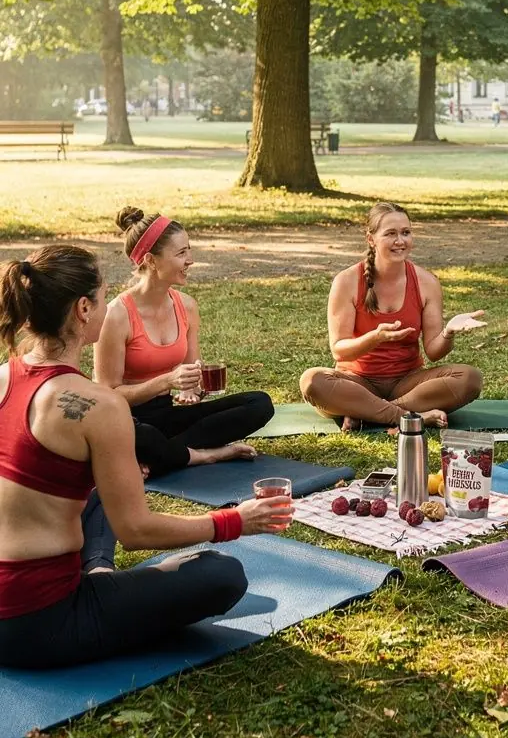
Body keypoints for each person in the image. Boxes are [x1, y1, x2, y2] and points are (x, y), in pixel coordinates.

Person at [0, 245, 293, 670]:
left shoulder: (4, 376)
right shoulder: (97, 403)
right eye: (102, 295)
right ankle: (98, 582)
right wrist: (235, 521)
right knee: (222, 575)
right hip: (39, 623)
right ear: (84, 308)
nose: (107, 302)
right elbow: (135, 529)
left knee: (99, 494)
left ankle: (98, 573)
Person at [94, 208, 273, 478]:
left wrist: (194, 390)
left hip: (167, 416)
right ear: (151, 261)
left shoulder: (186, 306)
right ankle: (205, 454)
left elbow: (193, 373)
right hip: (127, 419)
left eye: (188, 250)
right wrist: (166, 381)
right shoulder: (117, 315)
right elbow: (107, 394)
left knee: (259, 404)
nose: (190, 260)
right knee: (145, 435)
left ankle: (160, 457)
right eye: (181, 253)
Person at [300, 201, 485, 429]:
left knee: (470, 378)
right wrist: (375, 338)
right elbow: (339, 351)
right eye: (391, 233)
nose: (400, 241)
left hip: (407, 382)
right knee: (312, 381)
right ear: (371, 239)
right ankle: (407, 416)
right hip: (356, 381)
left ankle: (368, 412)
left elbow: (434, 352)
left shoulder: (426, 282)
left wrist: (448, 332)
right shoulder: (346, 281)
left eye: (406, 233)